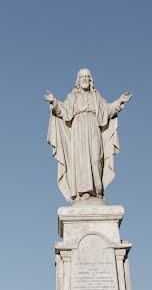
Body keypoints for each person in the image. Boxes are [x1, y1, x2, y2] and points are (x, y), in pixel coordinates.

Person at [44, 68, 132, 202]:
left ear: (90, 80)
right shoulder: (72, 97)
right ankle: (84, 191)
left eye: (87, 77)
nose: (84, 79)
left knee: (96, 158)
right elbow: (63, 111)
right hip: (78, 130)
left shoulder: (96, 97)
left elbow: (108, 111)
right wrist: (54, 102)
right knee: (81, 160)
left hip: (94, 129)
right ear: (78, 81)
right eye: (82, 77)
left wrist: (120, 101)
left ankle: (97, 190)